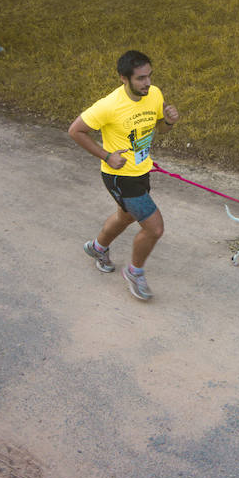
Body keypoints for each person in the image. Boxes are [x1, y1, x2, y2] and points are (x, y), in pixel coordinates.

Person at [68, 50, 180, 301]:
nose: (147, 83)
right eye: (140, 78)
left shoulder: (154, 94)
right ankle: (134, 272)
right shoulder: (109, 105)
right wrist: (107, 156)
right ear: (123, 78)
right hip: (120, 176)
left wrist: (170, 122)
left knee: (125, 216)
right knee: (154, 228)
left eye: (149, 76)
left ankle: (97, 248)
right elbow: (76, 131)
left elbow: (160, 128)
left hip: (141, 170)